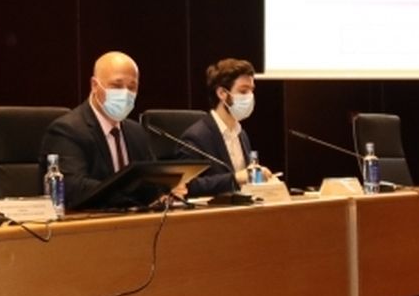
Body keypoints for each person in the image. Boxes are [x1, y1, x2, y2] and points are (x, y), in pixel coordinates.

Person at [39, 50, 171, 210]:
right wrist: (130, 192)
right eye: (117, 85)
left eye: (132, 87)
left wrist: (168, 187)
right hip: (88, 226)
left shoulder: (137, 132)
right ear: (95, 85)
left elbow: (152, 182)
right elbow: (74, 188)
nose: (125, 94)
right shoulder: (67, 130)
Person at [179, 57, 268, 197]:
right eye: (243, 91)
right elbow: (187, 185)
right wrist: (236, 178)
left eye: (251, 91)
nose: (250, 97)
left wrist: (259, 178)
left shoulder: (241, 134)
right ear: (222, 93)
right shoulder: (196, 137)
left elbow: (245, 180)